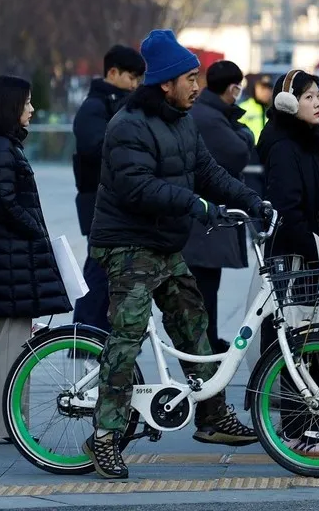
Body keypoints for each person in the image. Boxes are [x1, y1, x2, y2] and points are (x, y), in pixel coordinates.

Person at [84, 29, 264, 480]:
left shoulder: (183, 122)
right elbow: (136, 186)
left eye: (197, 76)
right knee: (127, 335)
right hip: (125, 243)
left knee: (193, 326)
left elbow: (207, 172)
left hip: (164, 244)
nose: (197, 85)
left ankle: (211, 417)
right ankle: (104, 436)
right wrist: (192, 203)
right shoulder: (128, 125)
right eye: (190, 77)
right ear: (165, 82)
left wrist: (252, 199)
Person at [0, 75, 71, 444]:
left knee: (11, 341)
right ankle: (6, 425)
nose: (32, 108)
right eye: (26, 102)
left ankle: (9, 422)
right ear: (10, 106)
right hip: (10, 253)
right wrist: (38, 233)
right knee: (11, 342)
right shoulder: (1, 149)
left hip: (9, 252)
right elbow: (6, 204)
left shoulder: (2, 146)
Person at [255, 69, 319, 457]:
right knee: (299, 342)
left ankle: (307, 426)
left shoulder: (311, 142)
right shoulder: (284, 146)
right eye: (307, 96)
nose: (317, 101)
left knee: (310, 340)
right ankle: (300, 428)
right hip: (295, 261)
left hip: (310, 254)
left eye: (317, 94)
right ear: (288, 103)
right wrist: (312, 248)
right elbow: (287, 211)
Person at [182, 60, 255, 354]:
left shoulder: (207, 112)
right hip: (203, 221)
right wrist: (244, 131)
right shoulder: (210, 117)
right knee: (204, 289)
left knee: (206, 288)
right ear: (233, 88)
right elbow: (238, 153)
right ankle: (206, 345)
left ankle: (208, 341)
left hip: (204, 218)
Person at [71, 45, 146, 332]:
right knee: (98, 270)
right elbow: (95, 148)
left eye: (139, 79)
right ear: (112, 72)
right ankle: (85, 334)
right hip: (97, 201)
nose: (135, 85)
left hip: (114, 201)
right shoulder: (94, 107)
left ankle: (98, 333)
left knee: (109, 270)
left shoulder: (120, 104)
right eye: (131, 77)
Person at [238, 73, 272, 142]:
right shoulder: (243, 108)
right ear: (254, 88)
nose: (266, 92)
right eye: (262, 88)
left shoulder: (273, 110)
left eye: (269, 88)